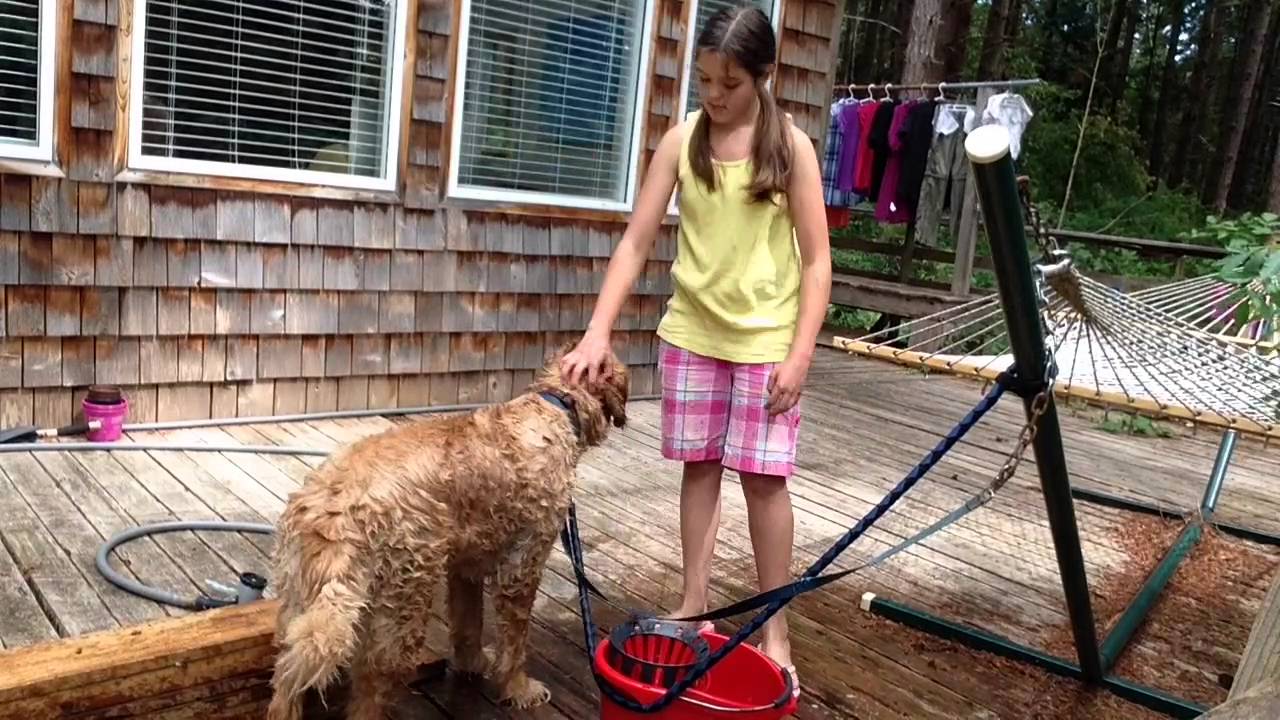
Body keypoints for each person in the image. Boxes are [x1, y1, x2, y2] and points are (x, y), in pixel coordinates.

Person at [561, 3, 831, 695]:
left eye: (730, 82)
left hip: (767, 341)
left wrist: (800, 354)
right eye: (705, 80)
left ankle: (774, 623)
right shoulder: (682, 141)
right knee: (701, 469)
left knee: (765, 482)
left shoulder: (789, 149)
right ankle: (696, 601)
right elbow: (635, 241)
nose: (714, 95)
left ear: (765, 77)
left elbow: (816, 261)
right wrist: (599, 330)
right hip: (693, 336)